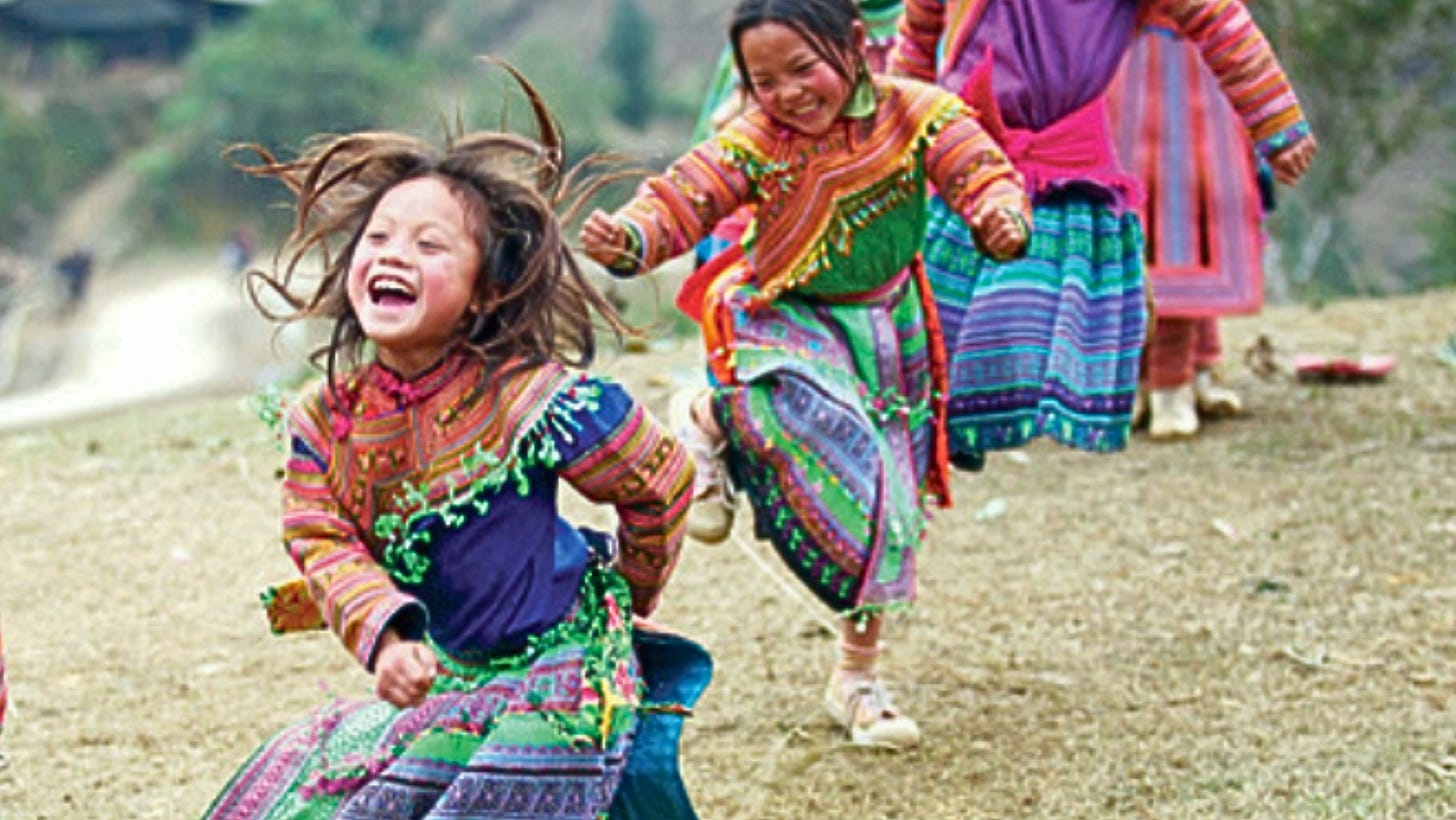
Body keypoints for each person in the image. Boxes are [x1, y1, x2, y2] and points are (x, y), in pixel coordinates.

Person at [203, 70, 698, 819]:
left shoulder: (536, 398)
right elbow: (321, 534)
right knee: (305, 794)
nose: (394, 253)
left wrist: (632, 595)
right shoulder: (325, 421)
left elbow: (658, 479)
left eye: (430, 244)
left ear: (486, 289)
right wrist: (388, 634)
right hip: (454, 680)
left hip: (564, 669)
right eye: (378, 237)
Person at [581, 0, 1029, 748]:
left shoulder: (913, 112)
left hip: (890, 330)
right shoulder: (756, 139)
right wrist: (630, 236)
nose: (788, 92)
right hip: (783, 317)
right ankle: (717, 417)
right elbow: (685, 195)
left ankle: (858, 679)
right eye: (765, 79)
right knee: (802, 410)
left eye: (802, 68)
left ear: (855, 44)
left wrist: (1000, 214)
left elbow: (981, 169)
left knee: (885, 500)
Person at [888, 0, 1317, 464]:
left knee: (1030, 332)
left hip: (1067, 168)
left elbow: (1216, 18)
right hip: (962, 155)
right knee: (928, 345)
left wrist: (1277, 119)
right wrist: (890, 140)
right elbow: (918, 36)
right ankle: (932, 438)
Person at [1106, 5, 1297, 439]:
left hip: (1197, 62)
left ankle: (1184, 372)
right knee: (1141, 223)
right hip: (1130, 63)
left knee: (1190, 223)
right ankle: (1150, 375)